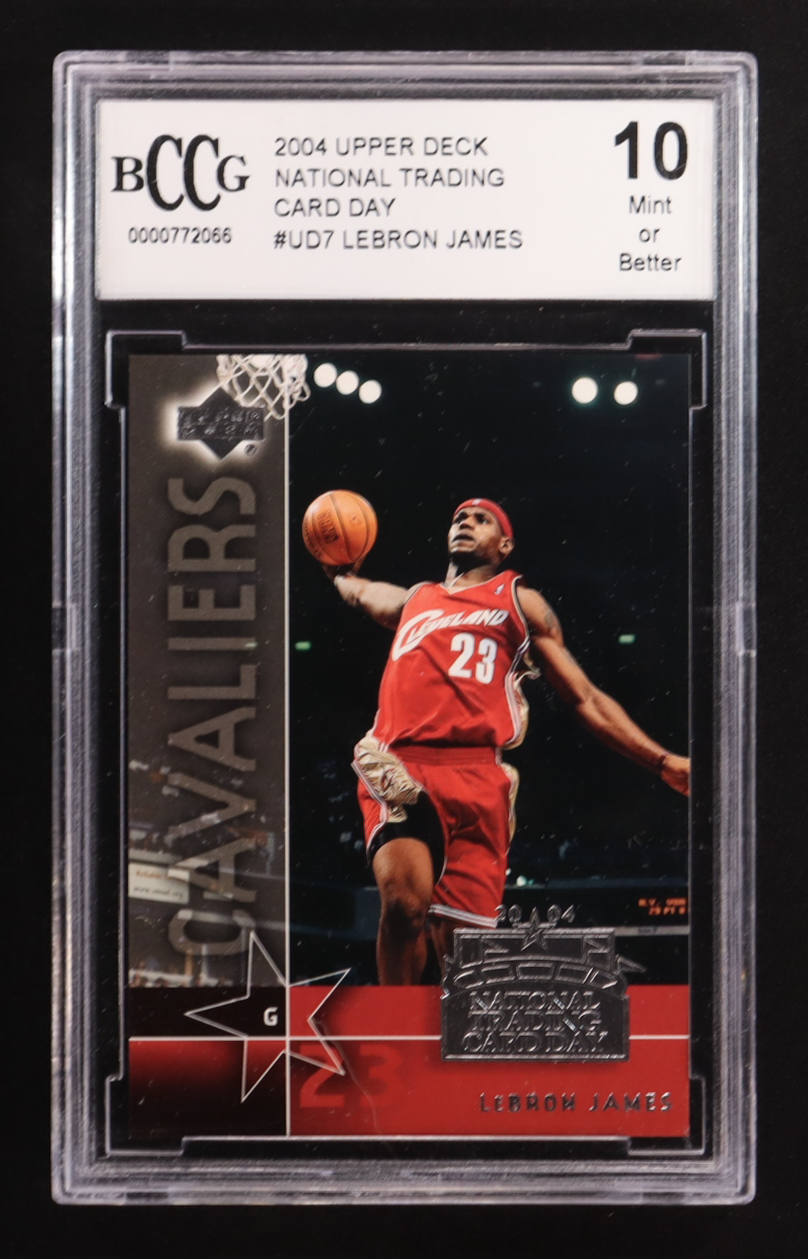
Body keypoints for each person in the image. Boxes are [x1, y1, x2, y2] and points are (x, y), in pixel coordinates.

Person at [324, 498, 690, 985]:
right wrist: (338, 570)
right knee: (406, 909)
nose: (466, 522)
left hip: (480, 778)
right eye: (459, 517)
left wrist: (660, 761)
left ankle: (449, 1030)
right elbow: (362, 593)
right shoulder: (415, 599)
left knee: (465, 954)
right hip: (401, 766)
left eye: (482, 520)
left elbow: (584, 697)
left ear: (505, 545)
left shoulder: (519, 602)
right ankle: (394, 1026)